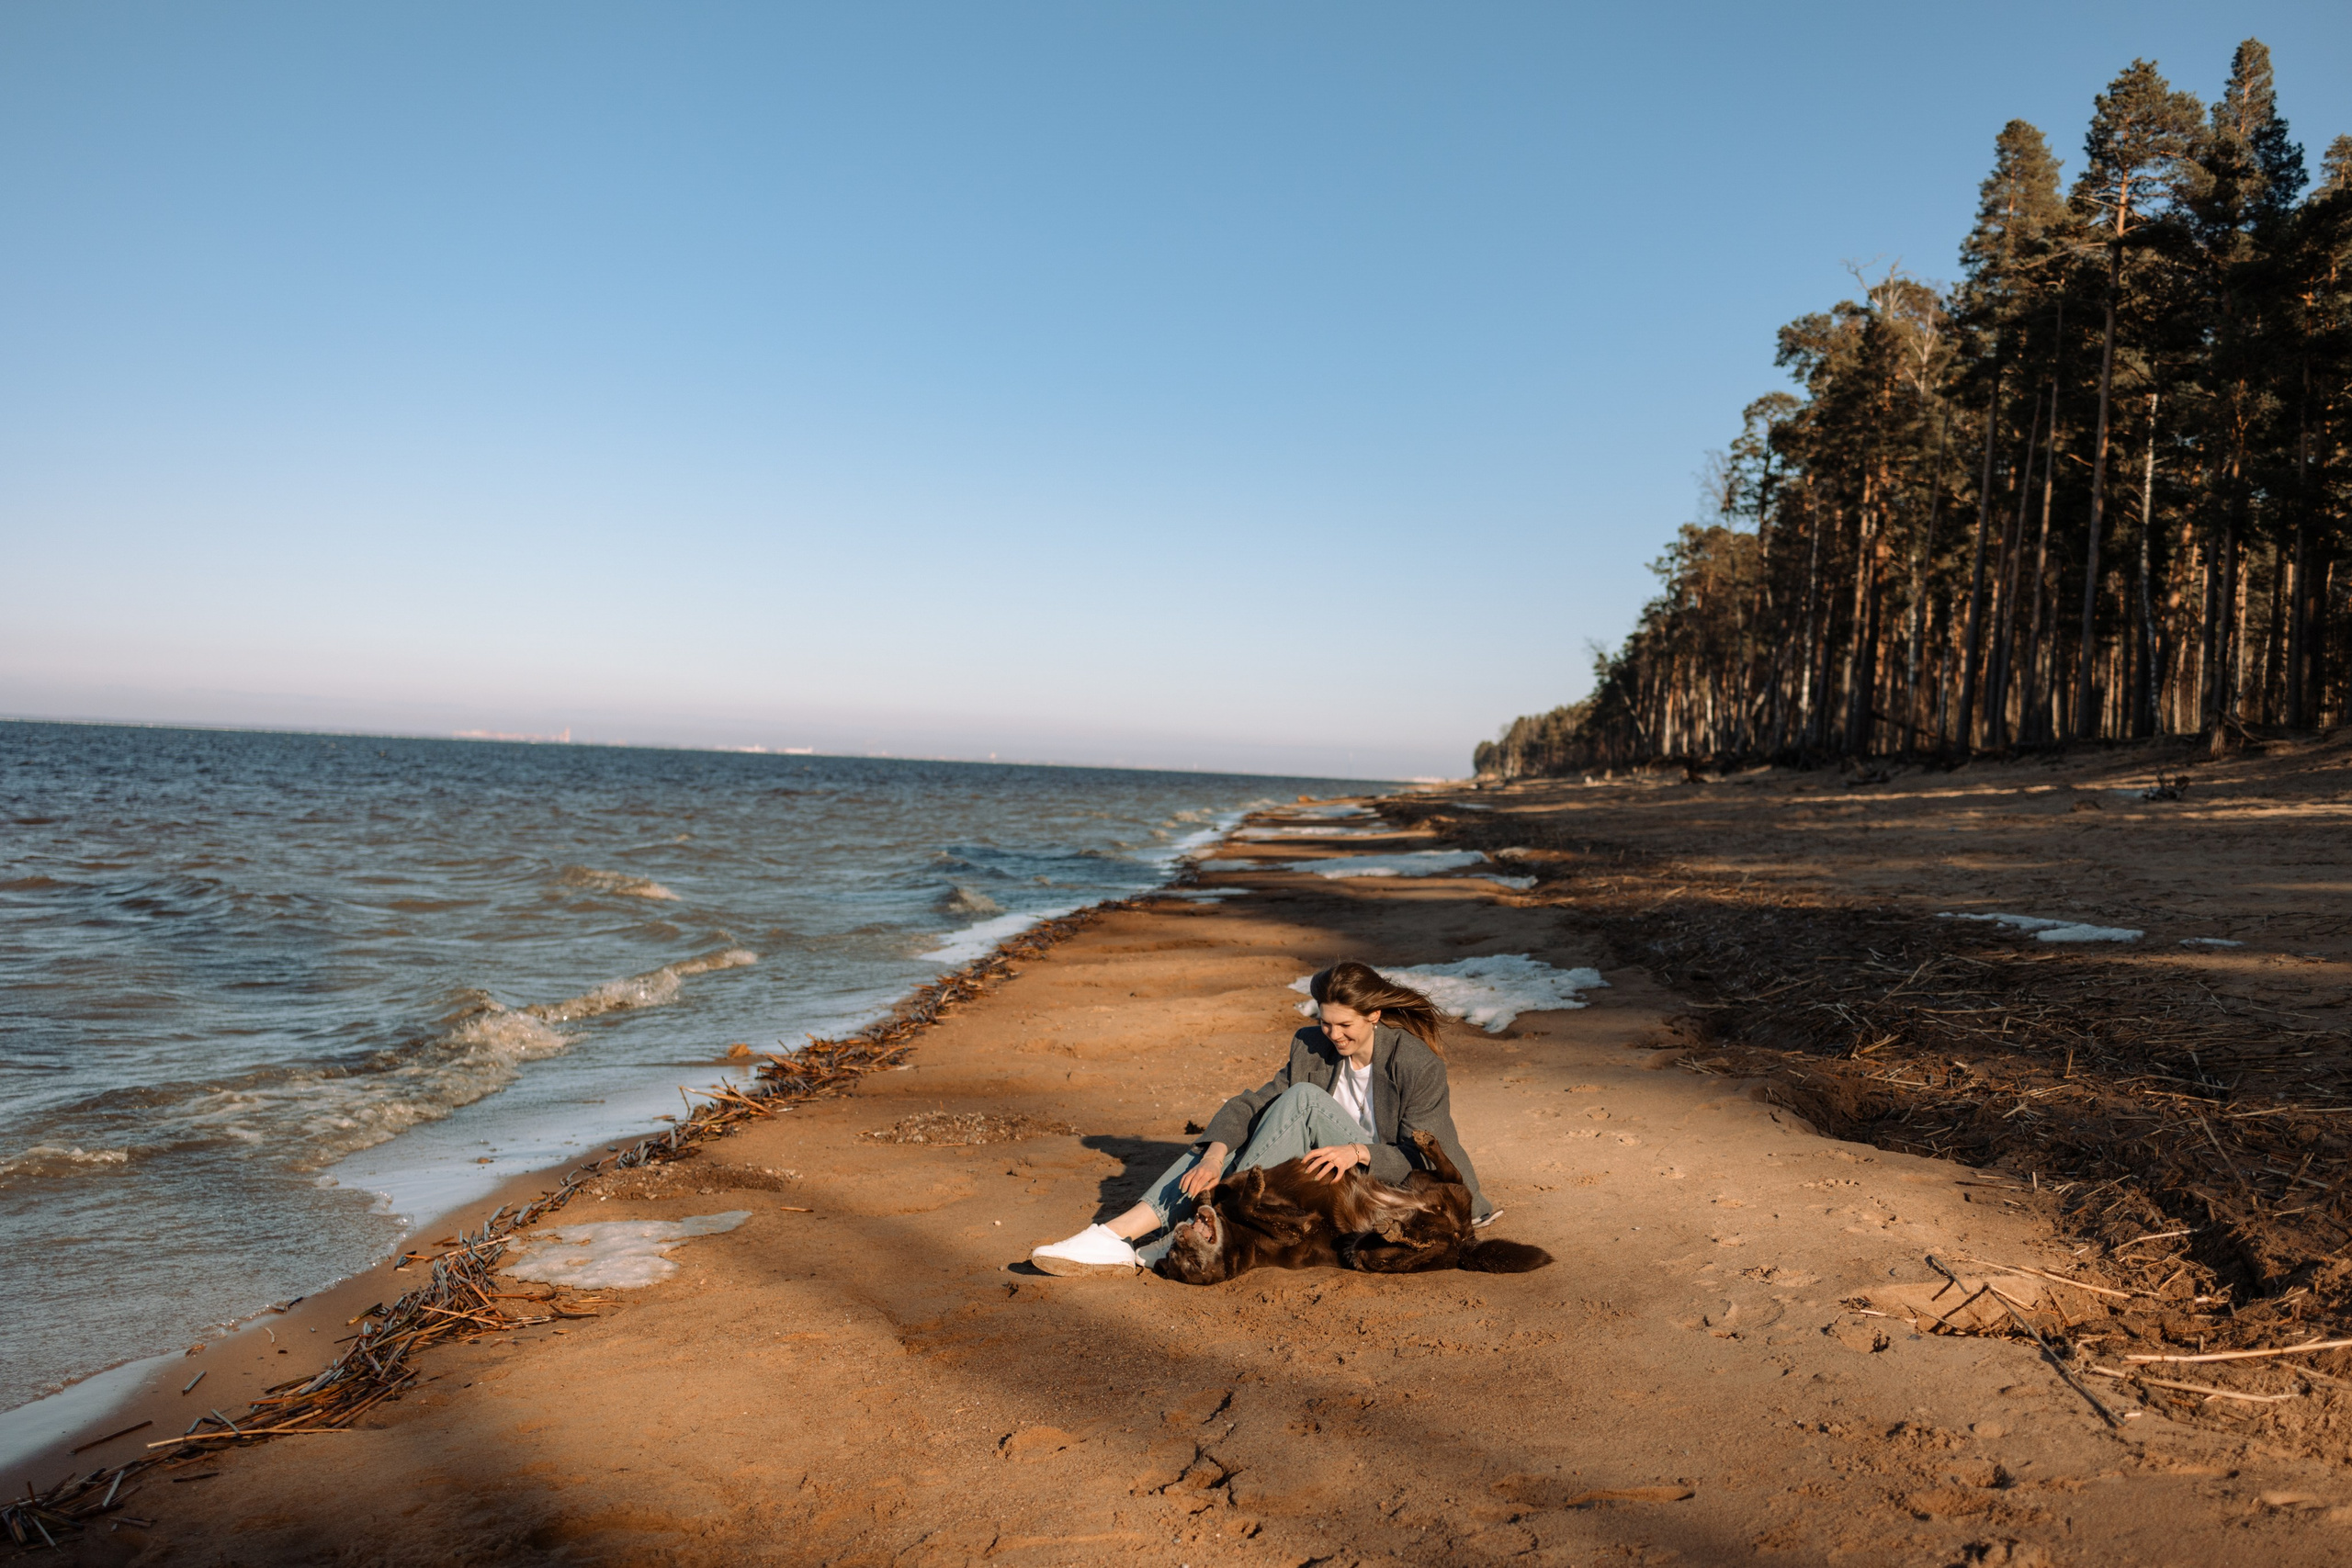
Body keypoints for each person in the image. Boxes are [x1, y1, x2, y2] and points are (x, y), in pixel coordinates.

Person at [1030, 959, 1494, 1276]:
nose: (1332, 1035)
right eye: (1325, 1023)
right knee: (1257, 1124)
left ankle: (1141, 1235)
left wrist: (1357, 1150)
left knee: (1304, 1101)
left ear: (1374, 1015)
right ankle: (1122, 1233)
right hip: (1330, 1182)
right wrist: (1213, 1157)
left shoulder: (1416, 1063)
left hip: (1393, 1186)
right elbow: (1254, 1105)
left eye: (1344, 1025)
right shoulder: (1311, 1045)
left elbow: (1421, 1156)